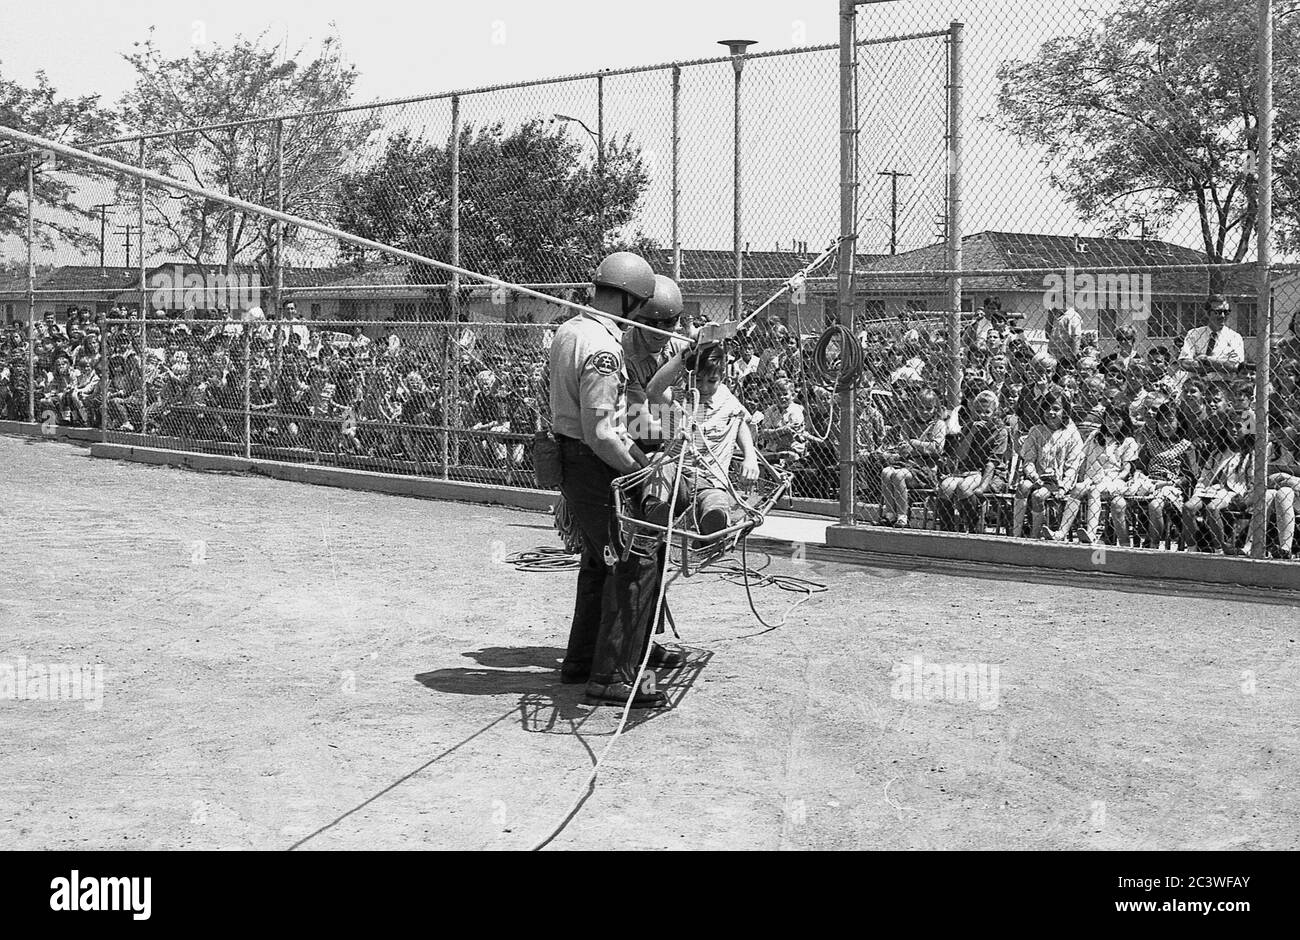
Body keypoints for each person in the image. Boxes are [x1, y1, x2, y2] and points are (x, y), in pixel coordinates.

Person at [549, 251, 673, 709]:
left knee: (599, 559)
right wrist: (641, 470)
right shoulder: (603, 348)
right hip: (592, 461)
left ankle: (582, 659)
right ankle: (615, 677)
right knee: (635, 559)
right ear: (627, 301)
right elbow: (602, 433)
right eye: (640, 307)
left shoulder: (569, 329)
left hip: (571, 457)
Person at [642, 342, 759, 535]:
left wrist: (750, 456)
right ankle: (656, 510)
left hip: (710, 481)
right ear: (688, 375)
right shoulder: (678, 397)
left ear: (722, 378)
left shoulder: (726, 399)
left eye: (712, 381)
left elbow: (740, 424)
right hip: (677, 479)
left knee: (715, 502)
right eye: (697, 379)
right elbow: (653, 390)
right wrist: (684, 354)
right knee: (659, 461)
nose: (703, 387)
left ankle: (712, 525)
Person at [1174, 294, 1244, 389]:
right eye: (1218, 312)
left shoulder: (1235, 337)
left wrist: (1206, 360)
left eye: (1226, 312)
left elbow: (1235, 366)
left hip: (1223, 387)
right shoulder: (1194, 334)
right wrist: (1219, 365)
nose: (1223, 316)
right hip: (1197, 386)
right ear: (1207, 313)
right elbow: (1185, 363)